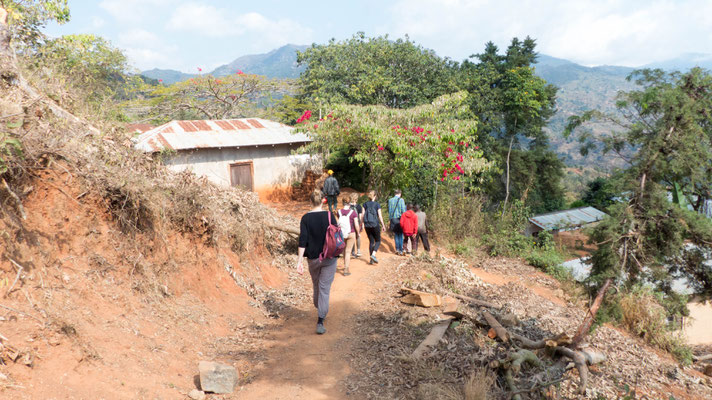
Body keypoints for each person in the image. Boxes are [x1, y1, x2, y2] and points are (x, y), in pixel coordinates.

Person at [297, 190, 338, 335]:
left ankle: (319, 308)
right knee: (324, 288)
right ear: (323, 201)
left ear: (310, 202)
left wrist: (299, 261)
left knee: (316, 284)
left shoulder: (305, 219)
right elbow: (337, 233)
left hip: (313, 258)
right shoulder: (329, 215)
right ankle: (321, 319)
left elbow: (303, 240)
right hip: (329, 257)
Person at [362, 191, 386, 264]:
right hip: (375, 224)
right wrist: (383, 225)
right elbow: (380, 216)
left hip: (367, 225)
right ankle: (373, 255)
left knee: (371, 241)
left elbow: (363, 215)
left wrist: (362, 224)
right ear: (375, 196)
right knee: (378, 241)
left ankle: (371, 260)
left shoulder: (365, 204)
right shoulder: (377, 205)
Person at [338, 197, 358, 276]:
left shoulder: (339, 212)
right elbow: (356, 224)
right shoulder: (353, 212)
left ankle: (345, 265)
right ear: (349, 203)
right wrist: (358, 233)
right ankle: (346, 268)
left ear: (343, 203)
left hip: (342, 233)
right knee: (348, 251)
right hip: (351, 233)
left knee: (344, 251)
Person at [387, 189, 407, 255]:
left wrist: (390, 219)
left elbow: (389, 211)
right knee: (400, 234)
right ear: (400, 193)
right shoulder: (401, 200)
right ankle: (401, 250)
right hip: (399, 219)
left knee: (396, 234)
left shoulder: (390, 200)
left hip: (393, 219)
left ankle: (397, 249)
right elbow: (403, 211)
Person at [349, 192, 364, 258]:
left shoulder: (348, 206)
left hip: (350, 223)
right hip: (357, 223)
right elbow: (360, 216)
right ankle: (358, 251)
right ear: (356, 199)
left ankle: (352, 251)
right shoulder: (358, 206)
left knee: (352, 237)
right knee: (358, 236)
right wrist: (361, 224)